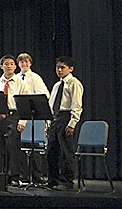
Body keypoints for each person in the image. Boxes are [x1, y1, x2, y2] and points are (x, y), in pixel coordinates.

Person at [0, 54, 30, 187]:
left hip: (14, 115)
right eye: (6, 64)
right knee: (1, 146)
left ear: (15, 66)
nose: (9, 66)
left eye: (11, 64)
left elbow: (25, 105)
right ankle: (3, 174)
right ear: (1, 66)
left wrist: (22, 122)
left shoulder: (21, 84)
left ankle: (14, 176)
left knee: (13, 145)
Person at [46, 56, 83, 191]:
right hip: (56, 118)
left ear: (70, 69)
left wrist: (72, 122)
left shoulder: (74, 83)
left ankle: (67, 181)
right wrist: (48, 121)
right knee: (51, 150)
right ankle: (52, 179)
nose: (59, 70)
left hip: (66, 116)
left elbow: (76, 104)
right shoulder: (57, 85)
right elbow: (51, 104)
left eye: (63, 67)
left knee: (66, 151)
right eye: (58, 67)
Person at [17, 52, 49, 183]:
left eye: (26, 62)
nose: (24, 64)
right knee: (21, 147)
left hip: (33, 116)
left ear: (30, 63)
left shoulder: (35, 78)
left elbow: (44, 94)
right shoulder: (17, 78)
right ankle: (23, 175)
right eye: (21, 62)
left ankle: (37, 176)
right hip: (20, 115)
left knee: (34, 146)